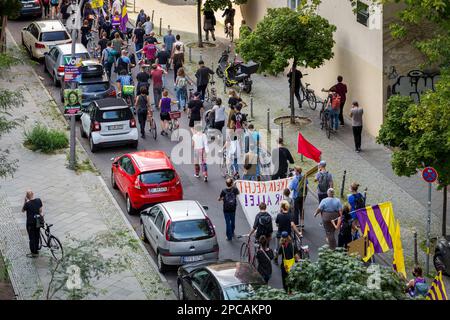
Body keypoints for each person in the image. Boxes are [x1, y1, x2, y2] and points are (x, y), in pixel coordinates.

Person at [21, 191, 43, 258]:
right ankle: (36, 250)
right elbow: (40, 210)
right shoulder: (38, 200)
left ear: (27, 196)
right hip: (38, 221)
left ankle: (33, 252)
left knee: (31, 237)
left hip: (30, 223)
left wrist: (25, 201)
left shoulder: (27, 204)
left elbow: (22, 210)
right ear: (33, 194)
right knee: (37, 235)